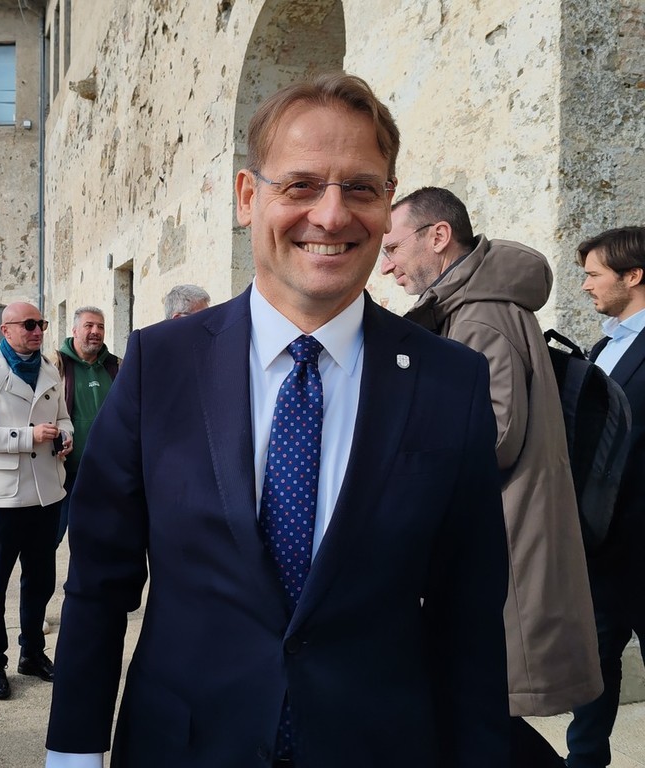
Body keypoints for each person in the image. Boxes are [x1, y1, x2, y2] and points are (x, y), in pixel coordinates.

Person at [45, 73, 510, 768]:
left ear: (387, 205)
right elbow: (100, 580)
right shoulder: (158, 364)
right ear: (247, 197)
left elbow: (468, 610)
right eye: (301, 185)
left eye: (361, 188)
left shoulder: (451, 380)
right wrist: (74, 752)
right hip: (185, 746)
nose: (332, 215)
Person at [381, 187, 602, 766]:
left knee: (479, 710)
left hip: (504, 539)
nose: (386, 265)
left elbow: (495, 437)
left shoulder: (479, 315)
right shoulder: (475, 307)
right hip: (501, 534)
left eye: (393, 247)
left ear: (438, 236)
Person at [0, 302, 73, 701]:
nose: (37, 330)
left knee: (40, 581)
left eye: (41, 323)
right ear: (5, 330)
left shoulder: (49, 370)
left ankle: (32, 653)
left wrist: (65, 434)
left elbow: (63, 417)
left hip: (46, 494)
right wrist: (27, 437)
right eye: (28, 324)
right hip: (4, 498)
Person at [567, 226, 645, 768]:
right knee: (592, 664)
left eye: (594, 274)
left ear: (633, 275)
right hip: (601, 544)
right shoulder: (603, 346)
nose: (586, 285)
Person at [53, 305, 120, 545]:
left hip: (104, 472)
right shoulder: (54, 365)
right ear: (74, 330)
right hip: (63, 472)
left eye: (100, 326)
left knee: (96, 540)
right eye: (88, 325)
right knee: (50, 537)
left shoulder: (117, 366)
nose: (95, 331)